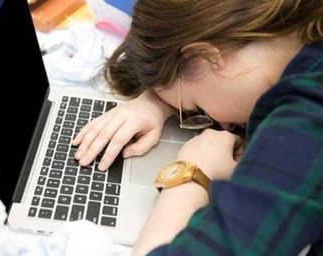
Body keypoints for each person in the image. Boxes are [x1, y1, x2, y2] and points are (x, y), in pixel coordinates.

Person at [72, 0, 323, 255]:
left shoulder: (308, 116)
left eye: (195, 110)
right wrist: (158, 101)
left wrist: (192, 172)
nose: (216, 124)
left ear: (208, 57)